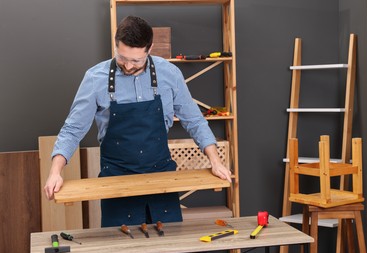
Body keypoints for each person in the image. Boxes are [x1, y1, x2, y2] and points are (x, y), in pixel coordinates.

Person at [44, 16, 231, 228]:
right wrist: (55, 172)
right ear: (116, 46)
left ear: (149, 49)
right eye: (122, 58)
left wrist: (215, 161)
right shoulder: (95, 78)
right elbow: (72, 130)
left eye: (136, 61)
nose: (128, 66)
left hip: (162, 180)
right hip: (116, 180)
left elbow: (195, 121)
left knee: (170, 250)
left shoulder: (169, 74)